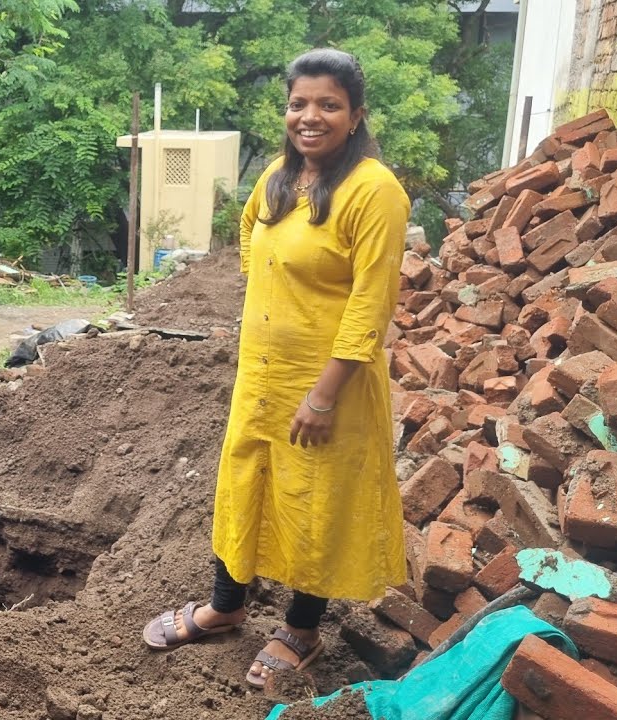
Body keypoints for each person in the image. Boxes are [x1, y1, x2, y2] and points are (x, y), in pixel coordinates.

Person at [142, 48, 410, 689]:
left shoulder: (375, 192)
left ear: (355, 114)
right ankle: (224, 607)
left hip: (328, 386)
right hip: (261, 376)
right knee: (244, 489)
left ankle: (301, 630)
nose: (309, 116)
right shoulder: (274, 179)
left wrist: (322, 396)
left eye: (328, 105)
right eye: (298, 104)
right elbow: (248, 246)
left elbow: (370, 307)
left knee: (314, 506)